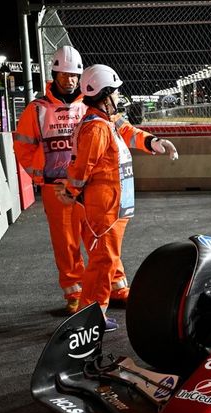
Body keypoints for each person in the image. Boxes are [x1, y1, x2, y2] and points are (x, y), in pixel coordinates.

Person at [59, 64, 178, 331]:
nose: (119, 98)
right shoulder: (97, 128)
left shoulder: (106, 122)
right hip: (105, 207)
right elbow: (82, 168)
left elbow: (130, 133)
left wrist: (155, 142)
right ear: (104, 94)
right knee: (102, 263)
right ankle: (91, 319)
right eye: (115, 92)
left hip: (112, 205)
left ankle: (93, 313)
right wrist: (71, 192)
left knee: (106, 259)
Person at [13, 46, 130, 315]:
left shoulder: (89, 105)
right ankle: (75, 292)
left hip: (89, 187)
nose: (69, 80)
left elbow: (120, 127)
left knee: (101, 238)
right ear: (54, 74)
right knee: (66, 243)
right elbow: (23, 147)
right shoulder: (38, 109)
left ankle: (116, 285)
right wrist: (42, 175)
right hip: (57, 187)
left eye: (74, 75)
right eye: (63, 75)